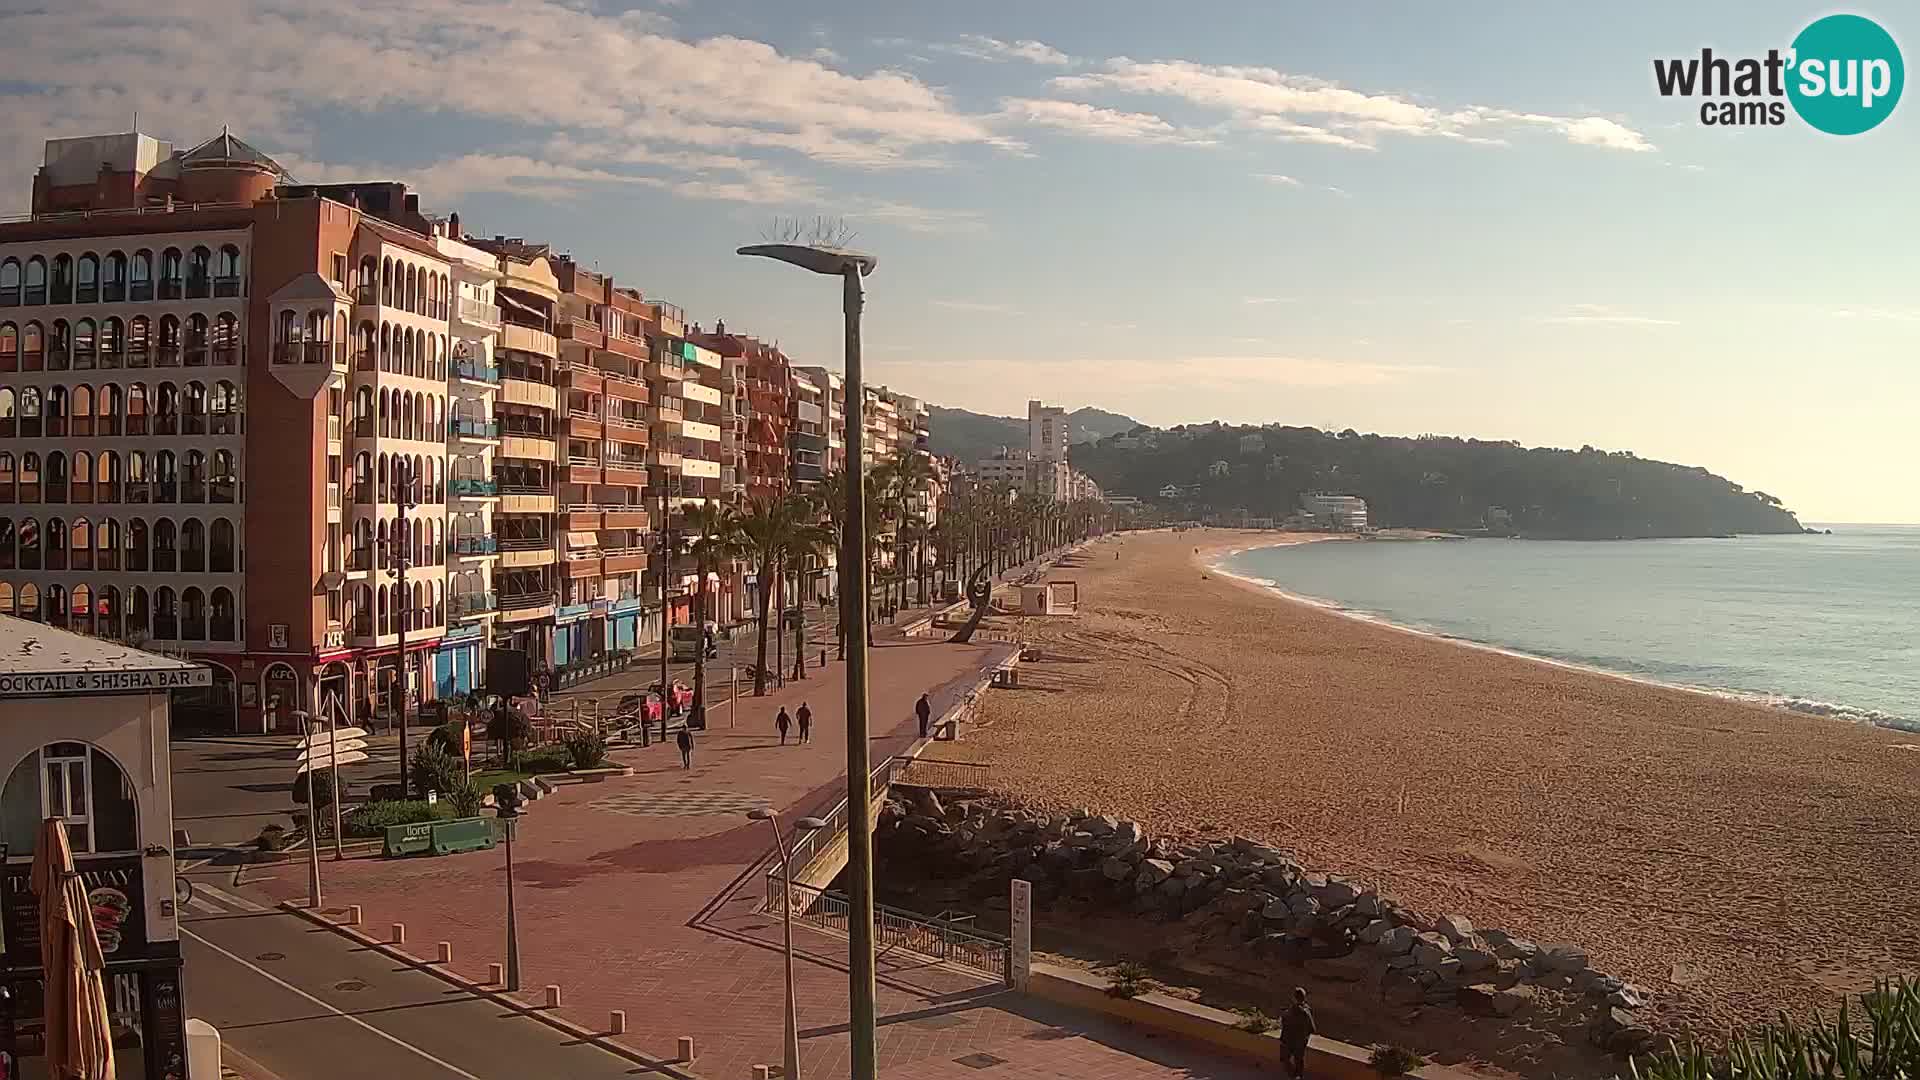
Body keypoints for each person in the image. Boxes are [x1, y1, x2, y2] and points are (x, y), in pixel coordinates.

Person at [1280, 987, 1315, 1078]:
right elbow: (1312, 1029)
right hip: (1300, 1041)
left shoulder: (1291, 1012)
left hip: (1291, 1041)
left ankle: (1294, 1076)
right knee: (1298, 1061)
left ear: (1293, 998)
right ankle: (1296, 1076)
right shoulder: (1306, 1010)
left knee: (1286, 1059)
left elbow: (1285, 1027)